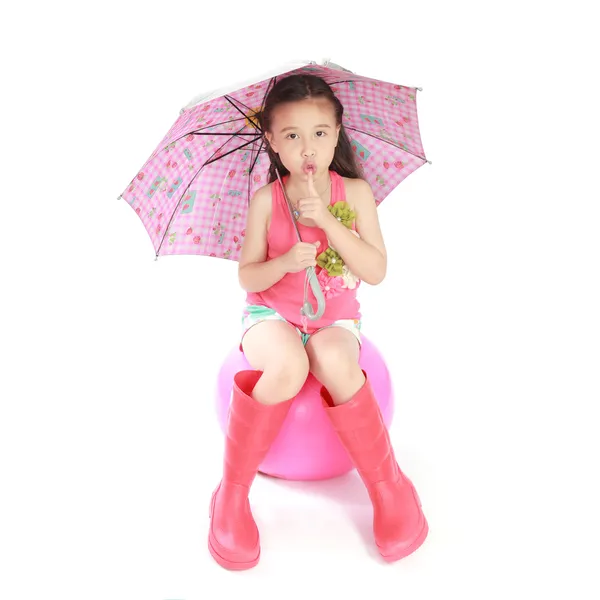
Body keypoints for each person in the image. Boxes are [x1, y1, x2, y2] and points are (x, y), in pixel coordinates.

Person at [208, 73, 428, 570]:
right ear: (271, 141)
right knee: (286, 368)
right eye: (291, 136)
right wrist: (284, 263)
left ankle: (389, 487)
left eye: (319, 133)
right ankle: (232, 495)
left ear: (337, 131)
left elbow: (375, 271)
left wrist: (328, 221)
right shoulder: (266, 200)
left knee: (331, 358)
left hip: (334, 320)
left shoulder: (355, 193)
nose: (307, 148)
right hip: (272, 315)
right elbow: (248, 274)